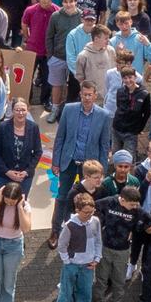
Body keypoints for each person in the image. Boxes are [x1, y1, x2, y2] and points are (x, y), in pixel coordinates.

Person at [50, 82, 111, 243]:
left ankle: (80, 232)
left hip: (89, 166)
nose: (87, 98)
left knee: (86, 199)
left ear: (95, 95)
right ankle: (56, 231)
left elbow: (105, 146)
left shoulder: (104, 116)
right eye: (84, 94)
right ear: (80, 94)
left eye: (90, 94)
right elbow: (60, 137)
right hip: (68, 161)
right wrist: (55, 161)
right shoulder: (69, 109)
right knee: (62, 196)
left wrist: (102, 171)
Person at [56, 192, 102, 302]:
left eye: (91, 212)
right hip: (72, 264)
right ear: (77, 210)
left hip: (88, 264)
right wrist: (67, 261)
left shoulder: (95, 221)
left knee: (86, 289)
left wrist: (97, 258)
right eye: (85, 212)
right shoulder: (69, 225)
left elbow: (98, 241)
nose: (89, 215)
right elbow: (62, 245)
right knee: (66, 289)